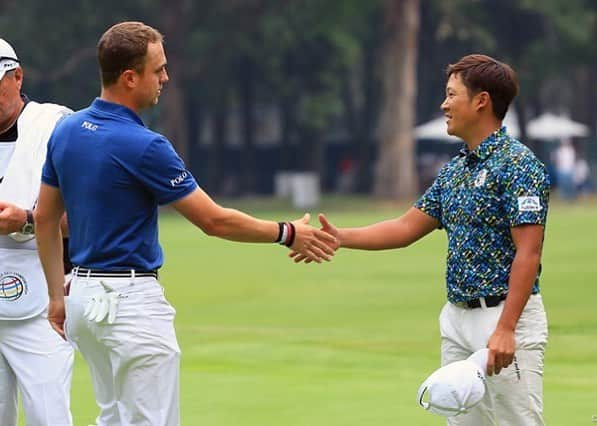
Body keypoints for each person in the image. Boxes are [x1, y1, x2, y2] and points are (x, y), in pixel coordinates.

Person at [34, 21, 336, 426]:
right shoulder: (145, 146)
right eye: (157, 69)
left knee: (112, 418)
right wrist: (288, 232)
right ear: (129, 77)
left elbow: (44, 217)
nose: (166, 78)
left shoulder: (66, 130)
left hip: (82, 302)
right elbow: (213, 220)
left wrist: (57, 297)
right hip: (129, 305)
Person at [294, 54, 550, 425]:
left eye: (451, 94)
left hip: (504, 316)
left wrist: (506, 328)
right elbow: (405, 228)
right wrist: (340, 238)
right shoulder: (456, 170)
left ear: (481, 101)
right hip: (458, 319)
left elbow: (529, 252)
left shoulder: (519, 165)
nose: (444, 104)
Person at [0, 38, 74, 425]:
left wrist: (27, 220)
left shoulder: (57, 126)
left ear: (17, 77)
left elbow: (85, 217)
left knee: (50, 419)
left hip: (44, 307)